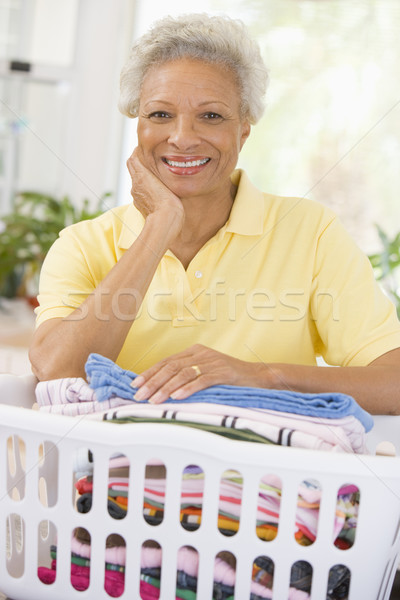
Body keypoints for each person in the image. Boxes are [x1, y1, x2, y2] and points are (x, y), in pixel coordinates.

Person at [29, 13, 400, 415]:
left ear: (243, 130)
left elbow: (393, 382)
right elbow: (56, 374)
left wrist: (264, 377)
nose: (183, 137)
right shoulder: (83, 246)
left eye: (211, 116)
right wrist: (159, 228)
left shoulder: (311, 232)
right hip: (120, 474)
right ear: (138, 126)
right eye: (159, 114)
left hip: (270, 476)